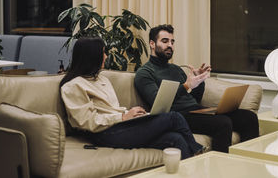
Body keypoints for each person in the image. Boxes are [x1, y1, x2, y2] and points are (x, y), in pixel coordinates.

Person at [59, 37, 203, 159]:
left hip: (119, 127)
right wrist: (122, 117)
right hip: (103, 134)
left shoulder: (101, 79)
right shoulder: (73, 86)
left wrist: (134, 115)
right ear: (91, 56)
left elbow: (111, 110)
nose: (106, 56)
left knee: (175, 139)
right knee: (173, 117)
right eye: (103, 53)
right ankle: (198, 152)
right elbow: (88, 122)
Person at [134, 24, 259, 153]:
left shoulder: (176, 69)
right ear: (152, 44)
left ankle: (248, 161)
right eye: (165, 41)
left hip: (196, 111)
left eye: (172, 42)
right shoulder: (144, 73)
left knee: (248, 117)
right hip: (178, 116)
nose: (170, 45)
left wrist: (199, 80)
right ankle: (219, 168)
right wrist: (187, 85)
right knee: (223, 122)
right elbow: (157, 102)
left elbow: (195, 98)